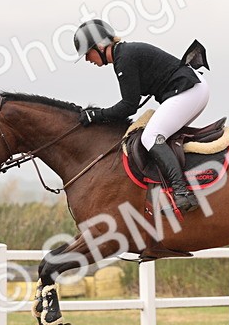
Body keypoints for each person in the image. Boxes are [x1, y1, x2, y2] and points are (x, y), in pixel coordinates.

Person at [73, 19, 209, 213]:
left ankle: (182, 193)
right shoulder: (124, 55)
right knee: (161, 138)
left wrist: (96, 115)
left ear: (101, 45)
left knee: (150, 137)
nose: (87, 59)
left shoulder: (124, 58)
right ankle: (170, 190)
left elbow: (128, 106)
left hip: (189, 91)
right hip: (192, 90)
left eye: (88, 53)